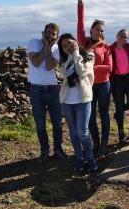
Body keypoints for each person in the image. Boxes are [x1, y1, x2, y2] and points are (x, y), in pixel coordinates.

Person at [77, 0, 113, 156]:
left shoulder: (106, 47)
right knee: (90, 116)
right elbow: (80, 24)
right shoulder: (84, 43)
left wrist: (90, 67)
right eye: (97, 29)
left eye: (101, 30)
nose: (99, 32)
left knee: (104, 114)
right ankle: (96, 144)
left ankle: (105, 144)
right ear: (91, 30)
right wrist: (80, 4)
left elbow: (109, 67)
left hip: (104, 84)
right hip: (88, 85)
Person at [58, 33, 98, 173]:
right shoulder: (63, 60)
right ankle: (79, 159)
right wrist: (70, 56)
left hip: (83, 100)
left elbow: (80, 71)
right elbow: (65, 73)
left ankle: (90, 159)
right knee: (74, 133)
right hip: (67, 101)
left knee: (83, 132)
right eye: (64, 46)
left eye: (69, 43)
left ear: (75, 41)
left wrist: (75, 53)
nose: (67, 47)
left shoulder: (89, 56)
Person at [27, 23, 67, 161]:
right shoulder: (33, 43)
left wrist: (49, 48)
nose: (50, 35)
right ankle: (44, 151)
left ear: (57, 36)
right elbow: (36, 62)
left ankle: (58, 149)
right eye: (48, 32)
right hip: (36, 89)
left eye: (53, 34)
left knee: (57, 122)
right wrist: (45, 47)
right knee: (40, 123)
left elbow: (50, 66)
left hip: (53, 88)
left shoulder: (57, 48)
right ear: (43, 32)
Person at [110, 29, 129, 144]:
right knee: (119, 104)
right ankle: (121, 133)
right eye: (122, 36)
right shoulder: (110, 48)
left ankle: (119, 112)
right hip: (117, 80)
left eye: (126, 37)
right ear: (117, 36)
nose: (124, 38)